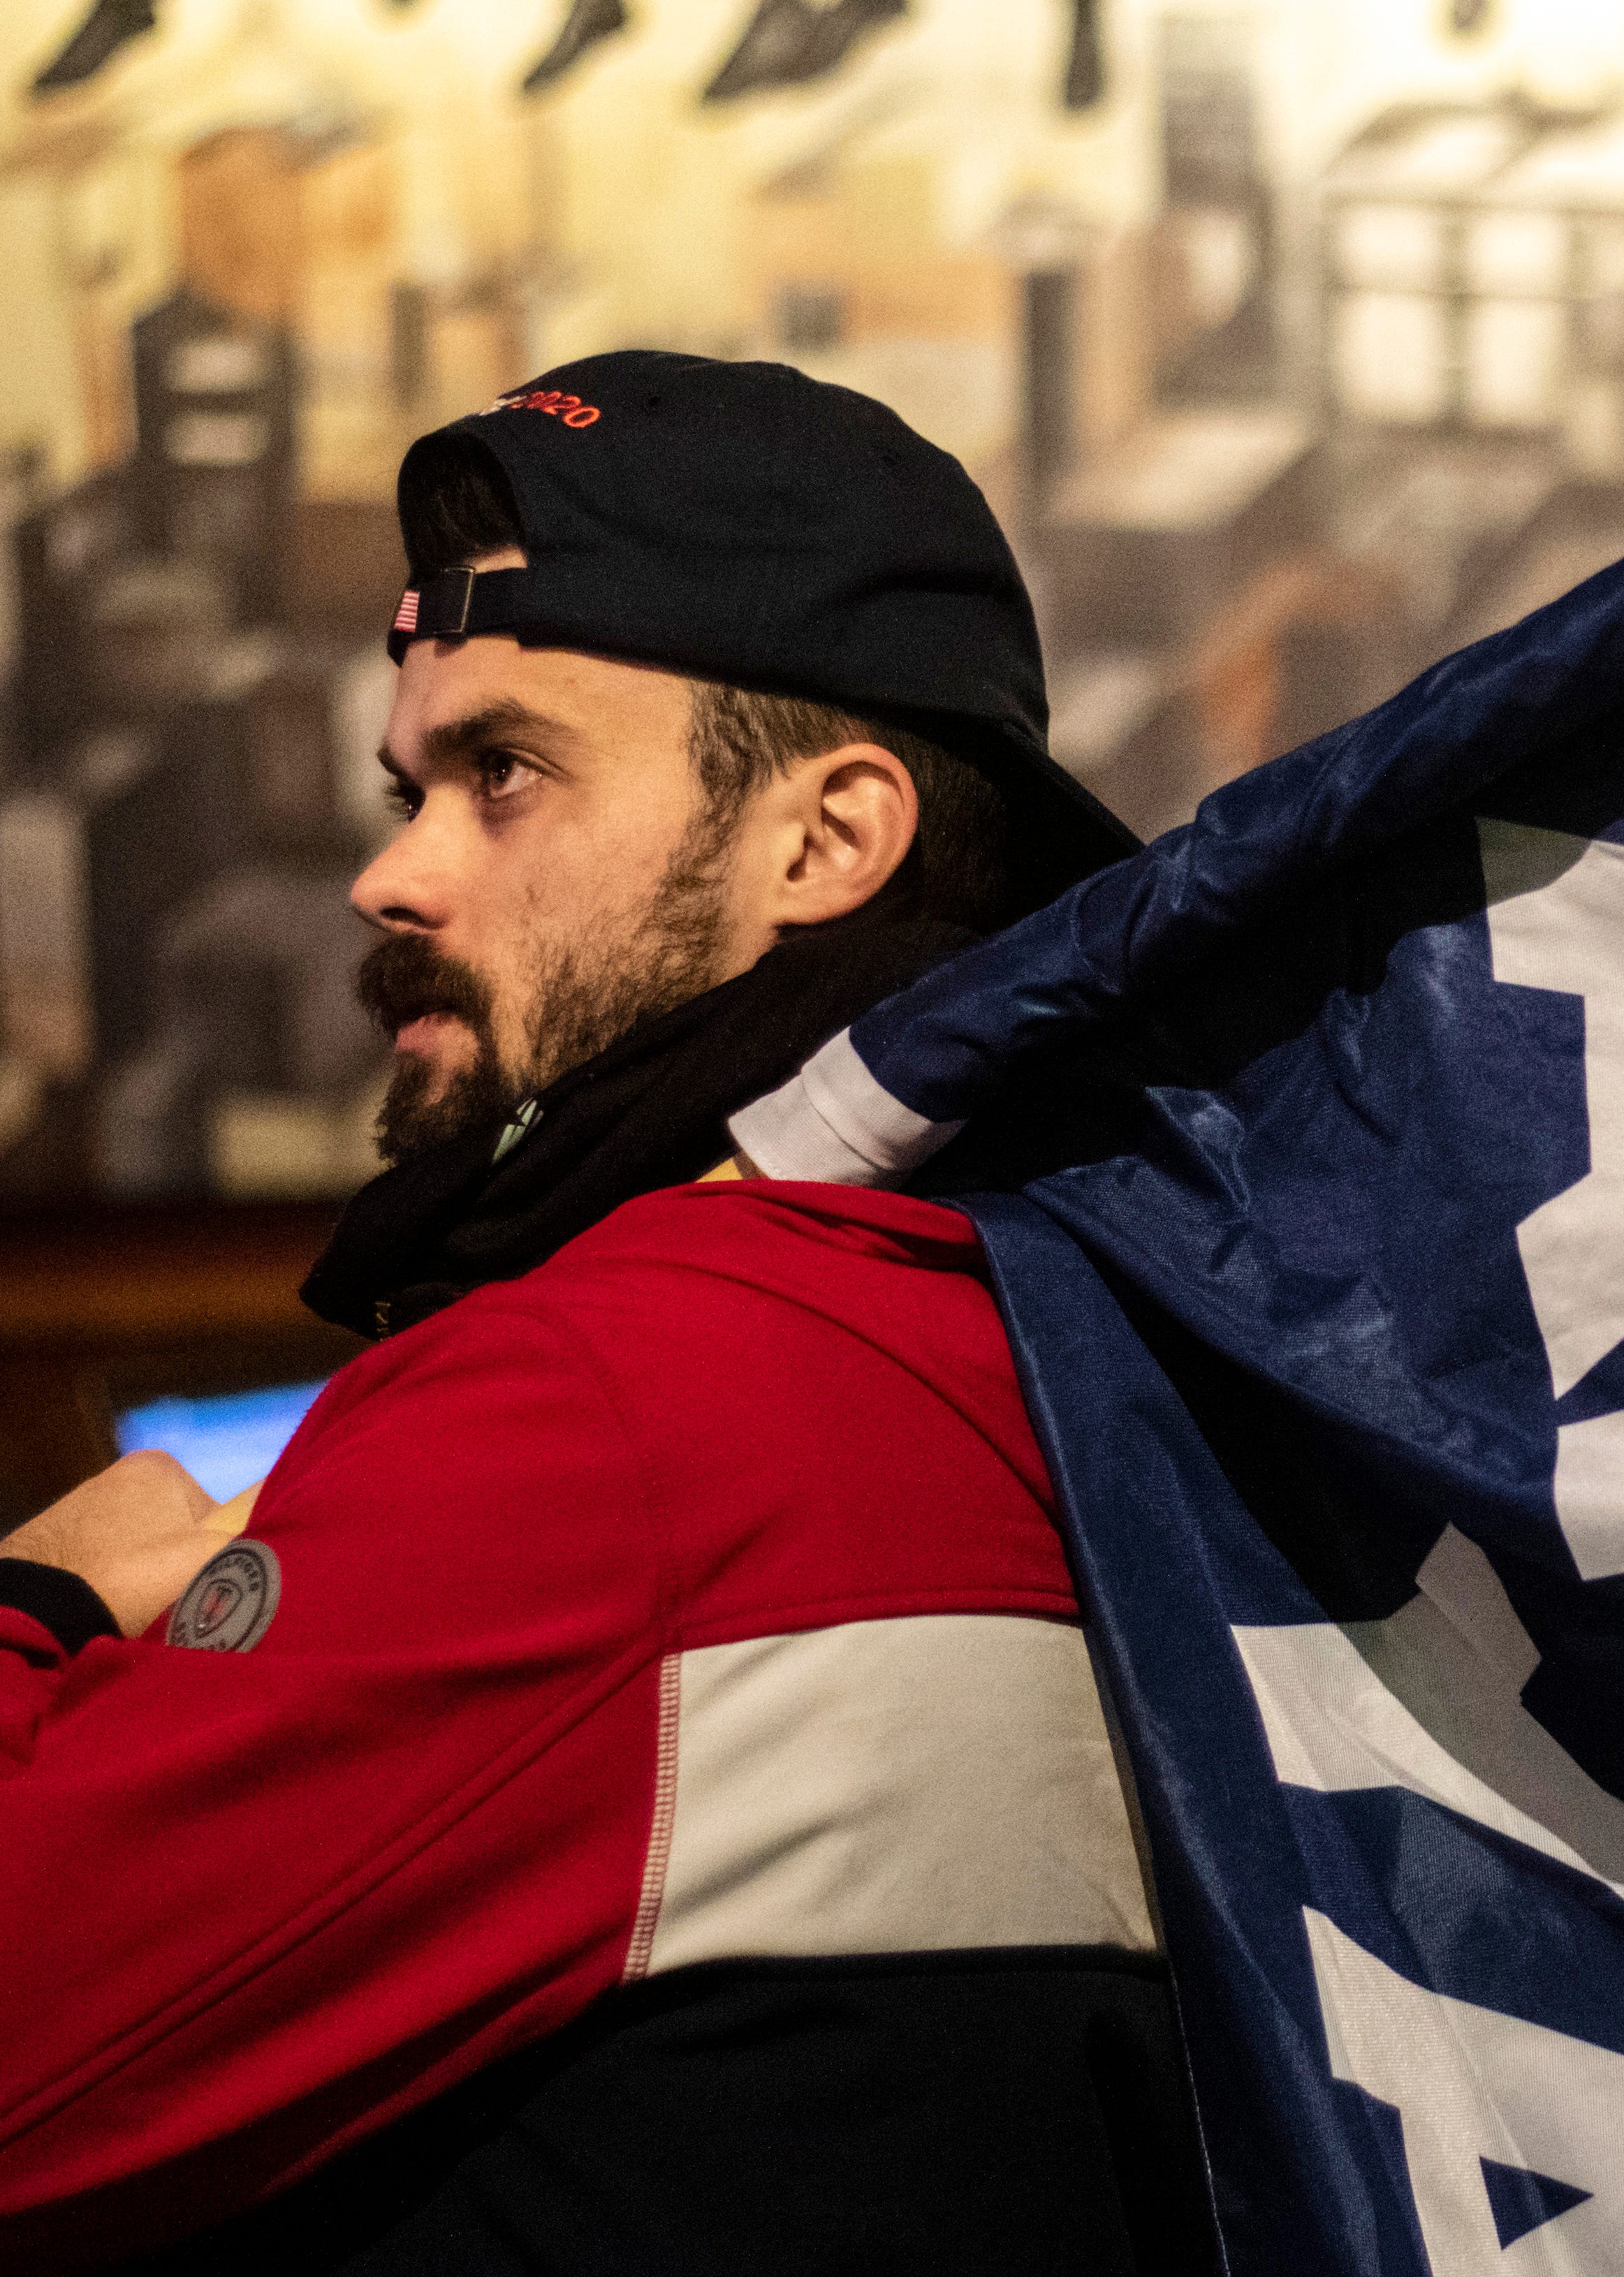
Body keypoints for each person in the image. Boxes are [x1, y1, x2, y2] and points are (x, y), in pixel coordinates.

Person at [0, 353, 1217, 2275]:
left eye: (507, 774)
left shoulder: (626, 1400)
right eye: (409, 786)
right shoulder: (1070, 1310)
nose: (390, 872)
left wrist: (44, 1602)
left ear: (821, 841)